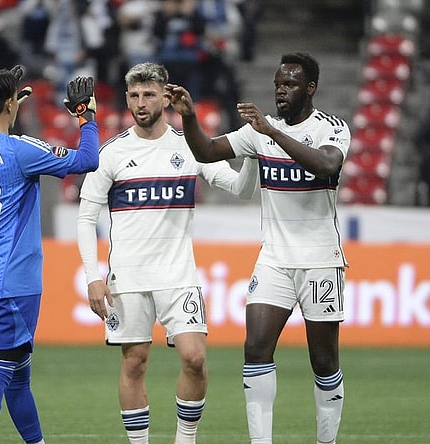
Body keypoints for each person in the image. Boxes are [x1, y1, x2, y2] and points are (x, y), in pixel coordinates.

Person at [167, 52, 350, 444]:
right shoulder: (258, 131)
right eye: (277, 84)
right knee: (255, 348)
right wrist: (189, 117)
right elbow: (207, 152)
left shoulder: (330, 128)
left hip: (320, 260)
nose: (281, 90)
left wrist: (272, 133)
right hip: (275, 259)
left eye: (290, 84)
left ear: (310, 88)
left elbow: (325, 166)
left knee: (323, 360)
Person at [76, 62, 258, 444]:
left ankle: (185, 439)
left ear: (166, 96)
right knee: (134, 362)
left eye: (148, 95)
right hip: (128, 277)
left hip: (178, 276)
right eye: (134, 96)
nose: (140, 103)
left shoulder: (188, 147)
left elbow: (241, 189)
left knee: (195, 359)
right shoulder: (112, 153)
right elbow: (85, 216)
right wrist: (92, 275)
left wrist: (254, 152)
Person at [0, 65, 99, 444]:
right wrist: (86, 115)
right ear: (10, 103)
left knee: (17, 374)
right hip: (14, 283)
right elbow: (86, 160)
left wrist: (9, 105)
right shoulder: (21, 150)